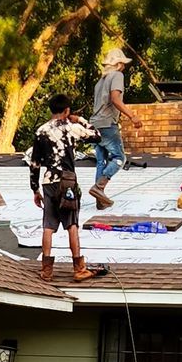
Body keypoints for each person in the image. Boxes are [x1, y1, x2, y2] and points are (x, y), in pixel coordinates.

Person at [26, 95, 109, 283]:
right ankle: (79, 269)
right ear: (67, 111)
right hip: (68, 181)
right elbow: (97, 136)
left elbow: (34, 163)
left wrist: (34, 189)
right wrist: (79, 119)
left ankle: (46, 271)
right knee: (72, 225)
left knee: (48, 225)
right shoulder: (72, 128)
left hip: (48, 181)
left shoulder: (41, 131)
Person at [90, 46, 130, 208]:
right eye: (123, 64)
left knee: (101, 161)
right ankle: (99, 187)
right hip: (107, 124)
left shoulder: (100, 82)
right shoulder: (117, 76)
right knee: (120, 158)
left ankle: (100, 201)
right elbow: (115, 98)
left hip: (94, 124)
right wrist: (132, 115)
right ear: (119, 64)